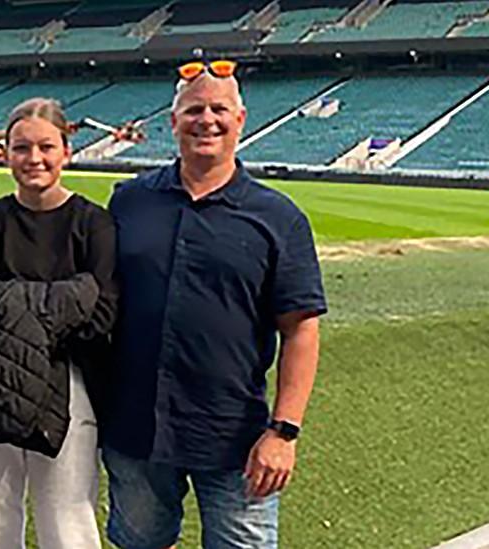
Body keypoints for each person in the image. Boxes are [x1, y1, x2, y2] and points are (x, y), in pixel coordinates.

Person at [103, 59, 327, 549]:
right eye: (194, 110)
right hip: (135, 430)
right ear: (173, 122)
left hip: (235, 438)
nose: (207, 120)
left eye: (219, 109)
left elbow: (301, 329)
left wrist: (284, 432)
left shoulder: (279, 218)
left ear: (241, 119)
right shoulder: (129, 202)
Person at [0, 97, 117, 549]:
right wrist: (64, 298)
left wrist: (7, 303)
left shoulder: (92, 223)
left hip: (69, 386)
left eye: (46, 147)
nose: (34, 159)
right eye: (21, 148)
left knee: (67, 520)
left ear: (66, 150)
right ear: (6, 153)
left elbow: (101, 316)